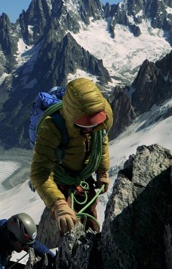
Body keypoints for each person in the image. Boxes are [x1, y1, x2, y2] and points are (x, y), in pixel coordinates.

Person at [30, 77, 113, 234]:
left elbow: (101, 140)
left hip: (83, 178)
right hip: (61, 182)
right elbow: (40, 174)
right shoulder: (51, 127)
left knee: (90, 222)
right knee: (68, 224)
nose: (92, 128)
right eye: (86, 124)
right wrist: (58, 204)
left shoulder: (101, 115)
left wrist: (102, 171)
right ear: (72, 116)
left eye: (95, 123)